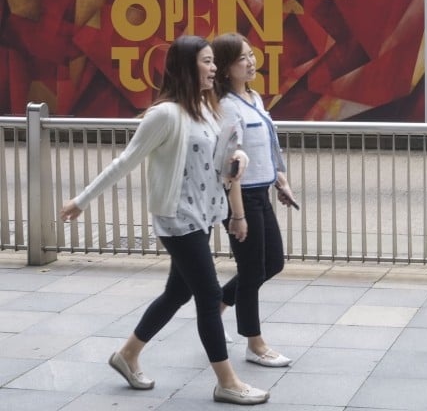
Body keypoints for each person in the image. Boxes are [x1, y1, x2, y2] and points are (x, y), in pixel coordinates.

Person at [59, 35, 270, 406]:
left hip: (203, 215)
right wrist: (81, 200)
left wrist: (238, 163)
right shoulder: (165, 114)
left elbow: (220, 160)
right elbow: (124, 161)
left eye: (213, 62)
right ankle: (227, 382)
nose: (214, 69)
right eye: (207, 62)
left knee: (178, 291)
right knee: (208, 295)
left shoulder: (206, 110)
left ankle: (127, 354)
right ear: (188, 67)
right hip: (177, 219)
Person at [212, 33, 296, 368]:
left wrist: (280, 178)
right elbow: (231, 163)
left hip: (260, 191)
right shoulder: (226, 108)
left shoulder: (254, 98)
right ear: (225, 68)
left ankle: (216, 307)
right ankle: (255, 343)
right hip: (240, 195)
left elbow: (262, 148)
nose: (251, 62)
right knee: (251, 271)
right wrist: (237, 214)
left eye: (251, 55)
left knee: (272, 263)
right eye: (241, 59)